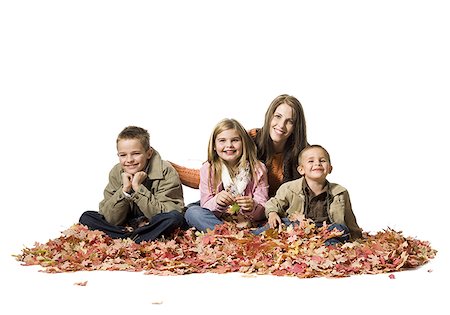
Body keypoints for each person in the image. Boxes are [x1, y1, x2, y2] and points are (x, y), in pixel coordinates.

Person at [171, 94, 308, 197]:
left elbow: (315, 186)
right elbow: (211, 175)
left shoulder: (305, 153)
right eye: (277, 116)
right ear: (269, 116)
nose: (281, 125)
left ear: (296, 126)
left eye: (289, 121)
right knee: (193, 211)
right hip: (232, 204)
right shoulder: (248, 140)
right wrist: (169, 168)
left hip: (271, 210)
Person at [79, 126, 185, 243]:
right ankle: (134, 236)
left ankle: (125, 236)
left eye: (135, 153)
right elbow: (110, 219)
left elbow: (166, 212)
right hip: (127, 222)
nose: (129, 160)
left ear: (148, 153)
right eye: (123, 155)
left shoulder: (165, 170)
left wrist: (138, 188)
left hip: (153, 221)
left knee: (174, 218)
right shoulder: (116, 172)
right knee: (87, 217)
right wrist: (124, 190)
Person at [253, 145, 362, 245]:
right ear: (301, 169)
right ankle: (253, 235)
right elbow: (273, 203)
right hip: (298, 229)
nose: (317, 163)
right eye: (311, 161)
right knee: (284, 222)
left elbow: (349, 218)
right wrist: (272, 213)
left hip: (327, 231)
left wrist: (357, 237)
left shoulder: (340, 192)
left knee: (341, 228)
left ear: (330, 168)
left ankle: (328, 247)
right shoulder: (289, 188)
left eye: (322, 161)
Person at [184, 118, 269, 232]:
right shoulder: (208, 169)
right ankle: (229, 234)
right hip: (218, 221)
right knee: (192, 212)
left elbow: (263, 209)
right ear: (214, 145)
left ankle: (238, 235)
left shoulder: (258, 169)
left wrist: (253, 206)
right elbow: (205, 205)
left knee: (281, 221)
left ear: (243, 143)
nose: (229, 145)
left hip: (249, 222)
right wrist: (217, 201)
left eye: (235, 140)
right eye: (222, 140)